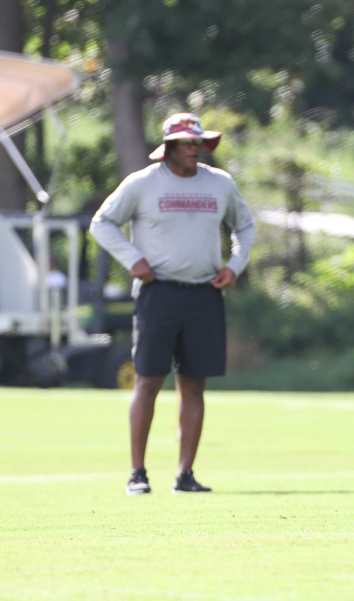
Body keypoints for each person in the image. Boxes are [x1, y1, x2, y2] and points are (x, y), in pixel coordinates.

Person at [90, 113, 255, 496]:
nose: (194, 148)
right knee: (147, 382)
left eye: (198, 141)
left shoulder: (220, 184)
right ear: (168, 147)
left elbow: (245, 225)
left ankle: (185, 475)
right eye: (186, 142)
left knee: (193, 387)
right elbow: (103, 223)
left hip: (205, 293)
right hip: (158, 294)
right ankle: (138, 474)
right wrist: (134, 260)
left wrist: (235, 265)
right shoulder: (142, 184)